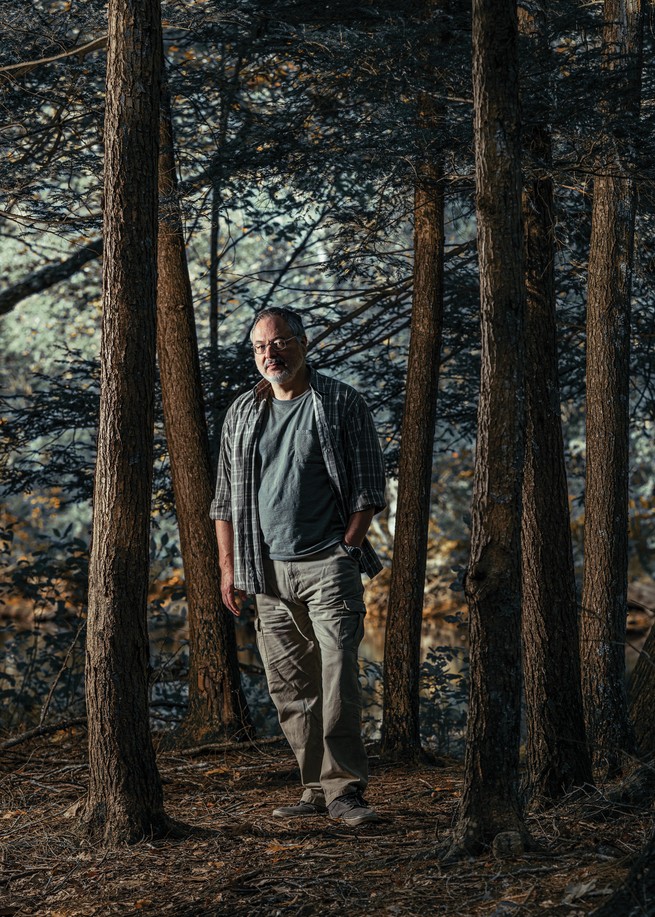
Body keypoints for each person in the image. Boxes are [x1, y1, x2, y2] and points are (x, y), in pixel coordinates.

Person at [211, 306, 386, 827]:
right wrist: (228, 569)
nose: (271, 353)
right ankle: (314, 787)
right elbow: (223, 500)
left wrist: (347, 547)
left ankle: (345, 792)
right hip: (263, 571)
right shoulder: (242, 412)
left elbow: (369, 487)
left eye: (280, 341)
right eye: (261, 347)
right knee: (290, 688)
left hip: (327, 565)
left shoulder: (337, 402)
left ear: (303, 343)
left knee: (338, 679)